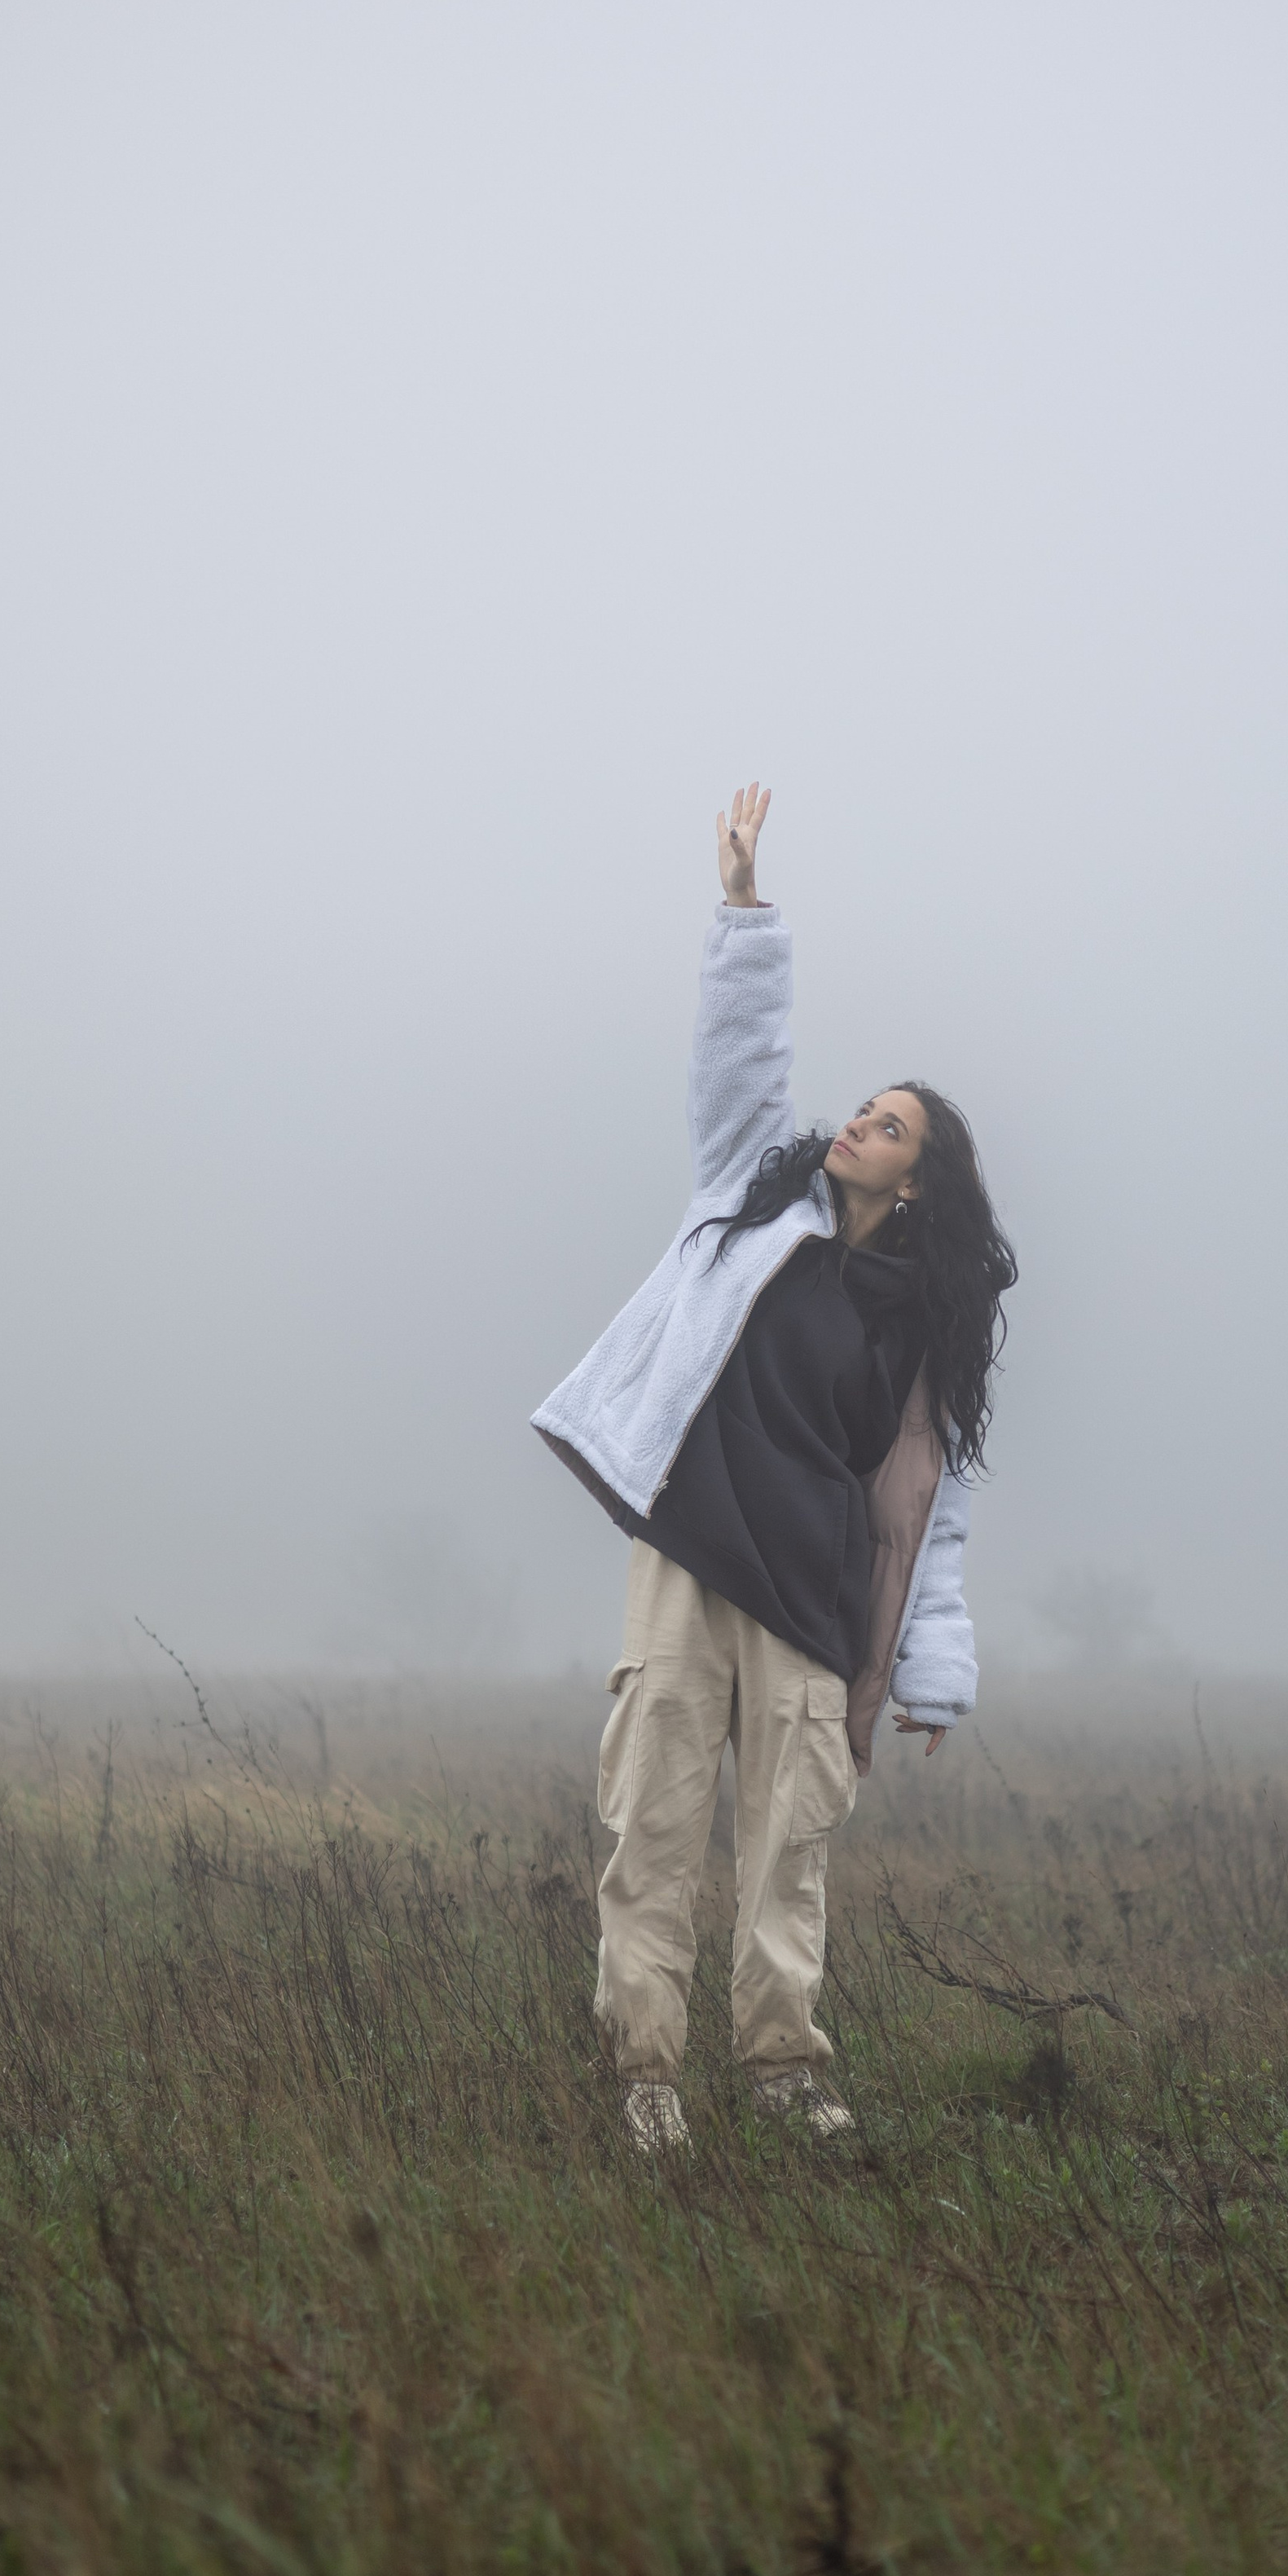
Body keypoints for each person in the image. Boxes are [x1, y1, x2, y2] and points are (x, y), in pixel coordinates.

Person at [533, 789, 1017, 2153]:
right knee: (651, 1827)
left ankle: (784, 2069)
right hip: (690, 1560)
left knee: (787, 1852)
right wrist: (745, 910)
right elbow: (739, 1062)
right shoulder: (751, 1199)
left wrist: (930, 1667)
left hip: (810, 1596)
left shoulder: (920, 1329)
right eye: (864, 1108)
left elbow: (924, 1515)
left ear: (918, 1183)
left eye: (891, 1126)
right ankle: (644, 2075)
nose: (859, 1123)